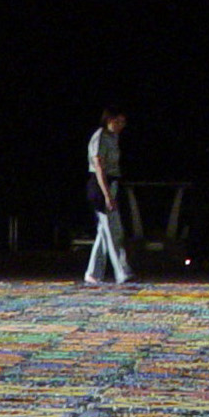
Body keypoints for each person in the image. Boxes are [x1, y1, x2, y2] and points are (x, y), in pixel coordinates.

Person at [84, 107, 132, 286]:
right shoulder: (100, 137)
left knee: (104, 232)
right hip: (100, 185)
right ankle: (122, 271)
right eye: (117, 122)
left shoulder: (114, 137)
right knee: (113, 231)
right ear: (108, 120)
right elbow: (99, 167)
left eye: (123, 123)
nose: (120, 126)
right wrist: (107, 196)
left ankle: (93, 273)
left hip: (111, 184)